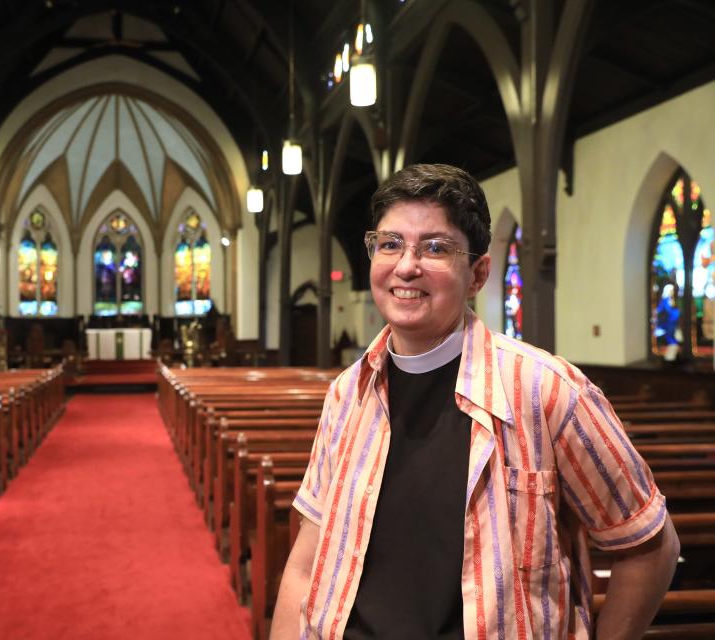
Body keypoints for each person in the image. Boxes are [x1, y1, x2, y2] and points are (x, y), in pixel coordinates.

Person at [270, 164, 679, 640]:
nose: (406, 266)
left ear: (478, 273)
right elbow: (306, 560)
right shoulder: (347, 393)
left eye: (436, 248)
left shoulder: (546, 389)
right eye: (390, 243)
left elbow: (649, 547)